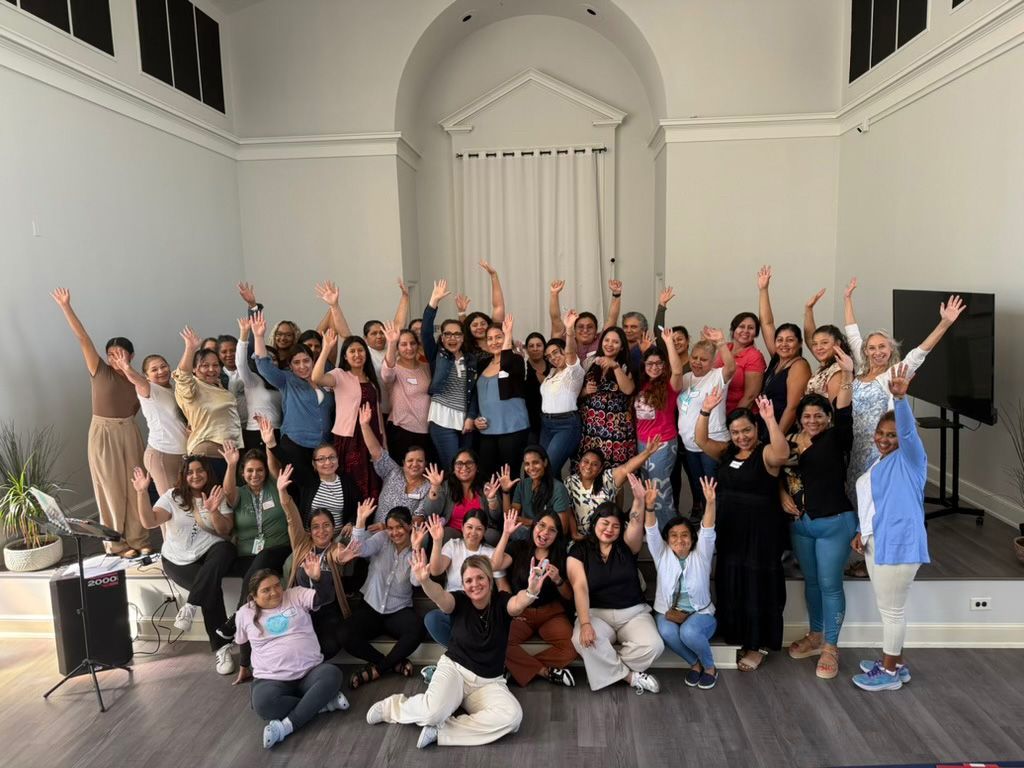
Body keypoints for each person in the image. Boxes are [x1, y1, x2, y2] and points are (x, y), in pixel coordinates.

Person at [365, 551, 541, 748]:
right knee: (432, 713)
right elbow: (440, 596)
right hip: (455, 671)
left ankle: (442, 731)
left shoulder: (501, 601)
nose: (475, 584)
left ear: (490, 579)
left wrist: (531, 592)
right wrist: (425, 581)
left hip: (488, 683)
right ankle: (393, 707)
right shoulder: (459, 601)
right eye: (468, 580)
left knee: (512, 718)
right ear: (463, 585)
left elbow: (517, 604)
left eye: (480, 578)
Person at [695, 391, 789, 672]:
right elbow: (700, 440)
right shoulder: (728, 453)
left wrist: (771, 419)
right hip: (730, 528)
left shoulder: (766, 454)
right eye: (735, 432)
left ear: (755, 429)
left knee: (758, 586)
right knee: (730, 579)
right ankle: (736, 634)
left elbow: (783, 453)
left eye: (746, 430)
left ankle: (758, 645)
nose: (741, 436)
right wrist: (705, 411)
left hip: (760, 532)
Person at [52, 288, 150, 556]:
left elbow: (146, 405)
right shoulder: (100, 371)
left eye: (120, 353)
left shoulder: (137, 378)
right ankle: (115, 542)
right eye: (111, 353)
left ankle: (138, 537)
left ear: (130, 355)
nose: (115, 358)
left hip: (129, 430)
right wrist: (66, 306)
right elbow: (83, 338)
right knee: (110, 488)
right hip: (103, 432)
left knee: (135, 485)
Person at [850, 366, 930, 691]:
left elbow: (908, 432)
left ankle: (889, 673)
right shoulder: (881, 461)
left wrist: (900, 400)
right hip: (877, 541)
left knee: (892, 612)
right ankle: (895, 662)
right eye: (881, 434)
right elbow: (874, 502)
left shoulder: (912, 459)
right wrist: (861, 532)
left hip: (898, 545)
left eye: (891, 435)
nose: (884, 440)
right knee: (890, 610)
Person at [780, 348, 857, 679]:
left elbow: (846, 410)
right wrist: (782, 495)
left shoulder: (837, 438)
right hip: (801, 525)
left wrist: (849, 375)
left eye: (818, 416)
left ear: (827, 418)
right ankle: (815, 635)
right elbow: (773, 471)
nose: (812, 421)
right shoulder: (791, 441)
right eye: (807, 416)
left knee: (829, 584)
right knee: (811, 583)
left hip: (833, 523)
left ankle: (831, 647)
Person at [844, 288, 965, 489]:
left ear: (890, 348)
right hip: (854, 444)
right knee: (855, 494)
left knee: (875, 496)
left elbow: (920, 353)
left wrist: (945, 323)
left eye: (882, 347)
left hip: (879, 447)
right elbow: (852, 333)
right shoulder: (862, 367)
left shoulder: (894, 374)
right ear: (865, 351)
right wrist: (847, 299)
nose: (877, 352)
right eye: (872, 348)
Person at [131, 459, 236, 674]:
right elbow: (149, 521)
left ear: (208, 473)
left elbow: (226, 530)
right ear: (184, 475)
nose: (195, 476)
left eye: (200, 471)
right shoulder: (173, 496)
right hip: (177, 560)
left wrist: (214, 510)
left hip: (209, 551)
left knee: (226, 549)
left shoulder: (217, 493)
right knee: (211, 589)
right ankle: (222, 648)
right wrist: (142, 492)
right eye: (190, 472)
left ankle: (190, 605)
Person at [567, 475, 665, 694]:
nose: (609, 529)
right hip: (596, 614)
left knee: (653, 646)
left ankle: (605, 667)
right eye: (605, 523)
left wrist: (639, 500)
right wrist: (584, 624)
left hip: (633, 613)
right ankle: (631, 677)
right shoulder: (578, 550)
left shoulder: (627, 545)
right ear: (594, 524)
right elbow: (580, 587)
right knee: (580, 639)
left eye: (615, 526)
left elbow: (637, 521)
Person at [265, 464, 359, 685]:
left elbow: (337, 555)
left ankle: (306, 676)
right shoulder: (301, 544)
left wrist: (337, 561)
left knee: (329, 644)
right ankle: (294, 675)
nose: (322, 530)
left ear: (333, 528)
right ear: (309, 530)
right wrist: (282, 492)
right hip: (300, 611)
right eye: (316, 527)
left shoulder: (336, 548)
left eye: (327, 525)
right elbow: (291, 517)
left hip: (327, 611)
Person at [237, 569, 350, 749]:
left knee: (333, 674)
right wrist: (243, 666)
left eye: (276, 586)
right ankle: (320, 703)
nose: (274, 592)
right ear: (254, 596)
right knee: (263, 705)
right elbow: (243, 642)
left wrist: (318, 578)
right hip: (271, 679)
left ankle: (285, 727)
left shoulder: (295, 594)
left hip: (310, 672)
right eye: (266, 590)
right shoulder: (244, 613)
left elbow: (325, 597)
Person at [647, 476, 719, 689]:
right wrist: (649, 507)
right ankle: (694, 664)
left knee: (688, 633)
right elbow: (651, 531)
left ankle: (710, 668)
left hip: (700, 615)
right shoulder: (661, 554)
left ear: (692, 538)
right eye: (674, 536)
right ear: (667, 540)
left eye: (685, 535)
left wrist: (711, 502)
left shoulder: (701, 554)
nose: (680, 540)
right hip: (669, 612)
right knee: (668, 632)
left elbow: (707, 529)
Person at [491, 509, 577, 687]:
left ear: (557, 535)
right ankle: (544, 672)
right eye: (542, 525)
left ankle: (518, 669)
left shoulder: (561, 555)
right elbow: (495, 565)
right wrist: (506, 534)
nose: (545, 533)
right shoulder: (519, 547)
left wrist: (558, 580)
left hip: (552, 613)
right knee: (498, 640)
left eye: (552, 530)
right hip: (522, 611)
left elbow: (569, 595)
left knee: (572, 647)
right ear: (534, 526)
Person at [218, 442, 292, 645]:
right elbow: (228, 492)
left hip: (278, 550)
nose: (255, 474)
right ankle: (249, 632)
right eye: (249, 470)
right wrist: (231, 464)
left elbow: (274, 466)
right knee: (256, 567)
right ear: (243, 473)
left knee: (265, 556)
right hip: (248, 556)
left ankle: (236, 617)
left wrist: (269, 443)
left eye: (259, 470)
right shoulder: (239, 493)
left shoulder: (275, 486)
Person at [253, 311, 334, 495]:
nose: (302, 366)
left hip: (322, 446)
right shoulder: (286, 380)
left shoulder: (325, 379)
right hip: (296, 445)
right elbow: (264, 366)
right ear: (290, 366)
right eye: (296, 362)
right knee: (302, 492)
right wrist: (259, 336)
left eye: (306, 361)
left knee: (322, 491)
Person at [345, 501, 425, 688]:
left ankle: (377, 670)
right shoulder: (381, 539)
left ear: (409, 527)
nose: (394, 532)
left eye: (399, 527)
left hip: (398, 610)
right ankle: (391, 663)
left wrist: (416, 548)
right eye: (390, 528)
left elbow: (415, 581)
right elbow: (359, 549)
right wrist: (360, 521)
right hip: (371, 606)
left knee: (417, 630)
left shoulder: (417, 549)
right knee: (344, 634)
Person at [418, 511, 507, 653]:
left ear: (485, 531)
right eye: (469, 527)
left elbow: (503, 585)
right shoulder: (453, 545)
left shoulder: (490, 552)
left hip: (479, 611)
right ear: (462, 527)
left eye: (479, 529)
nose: (473, 532)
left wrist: (507, 608)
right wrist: (437, 540)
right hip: (454, 607)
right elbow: (436, 570)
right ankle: (465, 655)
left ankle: (465, 658)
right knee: (432, 619)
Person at [313, 328, 384, 502]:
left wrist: (384, 442)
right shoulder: (339, 375)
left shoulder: (371, 379)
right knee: (352, 482)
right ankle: (353, 520)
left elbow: (378, 414)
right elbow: (316, 378)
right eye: (352, 351)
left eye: (360, 350)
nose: (357, 354)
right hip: (350, 438)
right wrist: (326, 349)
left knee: (374, 479)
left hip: (372, 437)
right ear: (345, 356)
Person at [107, 350, 186, 498]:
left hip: (181, 453)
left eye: (163, 366)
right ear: (146, 376)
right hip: (162, 454)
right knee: (171, 503)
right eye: (154, 369)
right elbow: (137, 380)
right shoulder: (149, 389)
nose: (161, 371)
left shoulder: (173, 389)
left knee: (185, 500)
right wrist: (126, 368)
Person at [677, 328, 735, 518]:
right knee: (699, 490)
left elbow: (731, 368)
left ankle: (718, 533)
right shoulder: (686, 379)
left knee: (713, 492)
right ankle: (706, 530)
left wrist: (720, 343)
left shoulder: (717, 376)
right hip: (690, 445)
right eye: (694, 357)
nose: (697, 362)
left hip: (711, 443)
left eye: (703, 359)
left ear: (712, 362)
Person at [173, 325, 243, 482]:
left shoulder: (218, 386)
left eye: (215, 365)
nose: (211, 369)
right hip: (208, 453)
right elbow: (183, 376)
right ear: (194, 369)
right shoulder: (193, 388)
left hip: (229, 453)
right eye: (204, 365)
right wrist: (190, 349)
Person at [422, 279, 479, 469]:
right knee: (453, 468)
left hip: (466, 421)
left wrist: (471, 417)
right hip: (441, 419)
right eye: (447, 334)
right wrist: (433, 302)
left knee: (468, 468)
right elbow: (425, 331)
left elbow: (475, 393)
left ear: (463, 338)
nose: (452, 338)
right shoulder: (437, 355)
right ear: (442, 337)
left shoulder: (471, 359)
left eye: (457, 334)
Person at [634, 327, 686, 528]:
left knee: (661, 491)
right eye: (650, 363)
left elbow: (679, 369)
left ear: (664, 366)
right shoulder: (642, 384)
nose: (654, 367)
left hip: (663, 443)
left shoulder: (670, 385)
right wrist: (650, 349)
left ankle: (671, 532)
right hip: (642, 444)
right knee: (648, 490)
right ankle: (654, 530)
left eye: (659, 364)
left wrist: (668, 343)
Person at [564, 439, 663, 542]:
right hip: (585, 538)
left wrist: (647, 453)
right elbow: (568, 510)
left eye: (594, 464)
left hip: (610, 534)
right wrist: (574, 533)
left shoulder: (607, 478)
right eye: (586, 461)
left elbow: (626, 468)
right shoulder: (570, 482)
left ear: (600, 468)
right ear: (580, 463)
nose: (588, 466)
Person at [756, 265, 812, 435]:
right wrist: (763, 290)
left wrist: (777, 438)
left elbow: (792, 407)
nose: (784, 344)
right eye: (779, 340)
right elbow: (766, 323)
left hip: (782, 430)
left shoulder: (799, 366)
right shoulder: (777, 359)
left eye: (790, 340)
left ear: (800, 343)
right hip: (766, 425)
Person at [474, 316, 530, 480]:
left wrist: (508, 334)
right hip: (487, 431)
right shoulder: (483, 363)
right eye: (489, 338)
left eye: (499, 337)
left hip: (512, 429)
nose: (494, 342)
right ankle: (491, 506)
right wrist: (476, 418)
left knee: (509, 477)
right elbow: (480, 397)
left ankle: (511, 507)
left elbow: (505, 364)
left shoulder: (516, 360)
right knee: (487, 476)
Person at [359, 402, 431, 527]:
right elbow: (376, 452)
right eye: (410, 460)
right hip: (376, 533)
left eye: (420, 461)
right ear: (403, 463)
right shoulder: (393, 471)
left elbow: (419, 519)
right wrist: (365, 425)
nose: (415, 464)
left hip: (402, 538)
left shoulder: (428, 486)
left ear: (425, 464)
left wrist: (388, 527)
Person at [577, 326, 636, 468]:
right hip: (590, 429)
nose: (609, 344)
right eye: (607, 340)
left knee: (615, 478)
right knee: (590, 472)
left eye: (615, 342)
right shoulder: (590, 362)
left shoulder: (626, 365)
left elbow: (628, 390)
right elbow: (575, 392)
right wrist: (585, 391)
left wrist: (615, 367)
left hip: (616, 431)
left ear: (622, 347)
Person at [379, 320, 433, 466]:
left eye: (412, 343)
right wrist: (391, 343)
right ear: (397, 348)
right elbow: (387, 373)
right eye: (403, 344)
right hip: (402, 431)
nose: (409, 348)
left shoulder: (426, 367)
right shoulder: (394, 369)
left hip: (427, 431)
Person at [539, 311, 585, 474]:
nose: (552, 357)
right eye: (548, 356)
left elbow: (571, 353)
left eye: (556, 352)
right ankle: (555, 500)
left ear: (563, 351)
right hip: (546, 424)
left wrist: (570, 330)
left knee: (548, 469)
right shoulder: (551, 374)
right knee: (542, 469)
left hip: (566, 424)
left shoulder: (573, 373)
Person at [361, 278, 411, 421]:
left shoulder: (392, 347)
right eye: (373, 333)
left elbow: (398, 325)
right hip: (374, 410)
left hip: (396, 409)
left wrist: (405, 297)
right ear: (365, 338)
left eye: (381, 332)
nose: (379, 336)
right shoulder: (364, 352)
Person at [497, 446, 572, 541]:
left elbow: (563, 529)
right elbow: (510, 518)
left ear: (545, 462)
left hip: (547, 537)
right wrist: (506, 491)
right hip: (525, 534)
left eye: (535, 462)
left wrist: (529, 522)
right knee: (511, 530)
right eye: (527, 464)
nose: (531, 468)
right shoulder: (522, 484)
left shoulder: (558, 488)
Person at [422, 450, 493, 540]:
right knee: (444, 533)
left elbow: (496, 517)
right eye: (459, 463)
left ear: (477, 467)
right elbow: (431, 512)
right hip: (454, 532)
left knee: (491, 536)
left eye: (469, 463)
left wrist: (492, 499)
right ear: (453, 469)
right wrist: (435, 487)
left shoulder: (486, 486)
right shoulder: (446, 486)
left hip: (479, 532)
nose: (464, 467)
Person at [235, 316, 283, 450]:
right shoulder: (253, 380)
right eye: (267, 358)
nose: (271, 362)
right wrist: (244, 335)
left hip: (278, 432)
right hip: (256, 433)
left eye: (274, 359)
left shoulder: (281, 382)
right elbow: (240, 364)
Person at [548, 278, 623, 362]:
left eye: (590, 327)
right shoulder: (565, 341)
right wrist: (554, 294)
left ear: (596, 331)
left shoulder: (602, 340)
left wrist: (616, 294)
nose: (585, 330)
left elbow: (612, 319)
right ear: (574, 330)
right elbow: (555, 319)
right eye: (580, 327)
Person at [802, 285, 854, 401]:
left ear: (837, 343)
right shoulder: (826, 365)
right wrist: (808, 309)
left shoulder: (839, 369)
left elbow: (834, 408)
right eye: (815, 344)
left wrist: (847, 298)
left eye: (824, 343)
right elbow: (810, 338)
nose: (818, 347)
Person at [716, 312, 766, 414]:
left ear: (756, 333)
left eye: (751, 328)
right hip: (717, 413)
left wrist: (733, 419)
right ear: (733, 329)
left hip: (738, 416)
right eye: (741, 326)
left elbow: (750, 396)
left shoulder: (754, 356)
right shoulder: (724, 348)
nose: (745, 331)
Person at [458, 259, 507, 355]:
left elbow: (498, 306)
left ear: (489, 324)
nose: (479, 327)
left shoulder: (496, 336)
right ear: (469, 328)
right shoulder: (466, 346)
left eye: (483, 323)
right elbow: (463, 326)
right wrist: (461, 312)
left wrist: (494, 276)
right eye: (475, 325)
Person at [521, 331, 549, 444]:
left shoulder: (553, 366)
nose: (535, 349)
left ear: (544, 348)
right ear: (527, 349)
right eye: (531, 346)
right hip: (529, 421)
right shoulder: (522, 367)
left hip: (551, 420)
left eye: (539, 345)